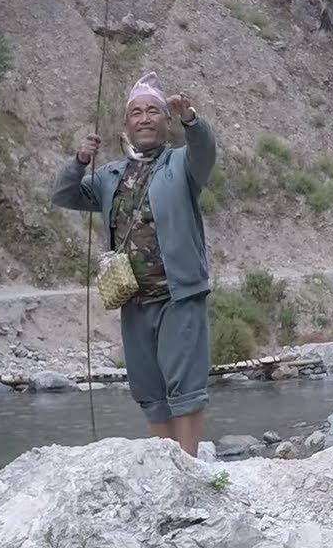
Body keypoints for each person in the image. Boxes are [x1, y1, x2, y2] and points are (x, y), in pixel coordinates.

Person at [50, 70, 217, 457]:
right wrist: (79, 161)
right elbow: (63, 194)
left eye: (153, 112)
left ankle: (188, 465)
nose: (144, 119)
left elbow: (206, 150)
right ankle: (164, 461)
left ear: (165, 120)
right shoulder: (109, 174)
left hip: (179, 294)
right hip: (132, 299)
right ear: (126, 123)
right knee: (148, 388)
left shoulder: (182, 166)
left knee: (186, 385)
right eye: (137, 112)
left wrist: (191, 118)